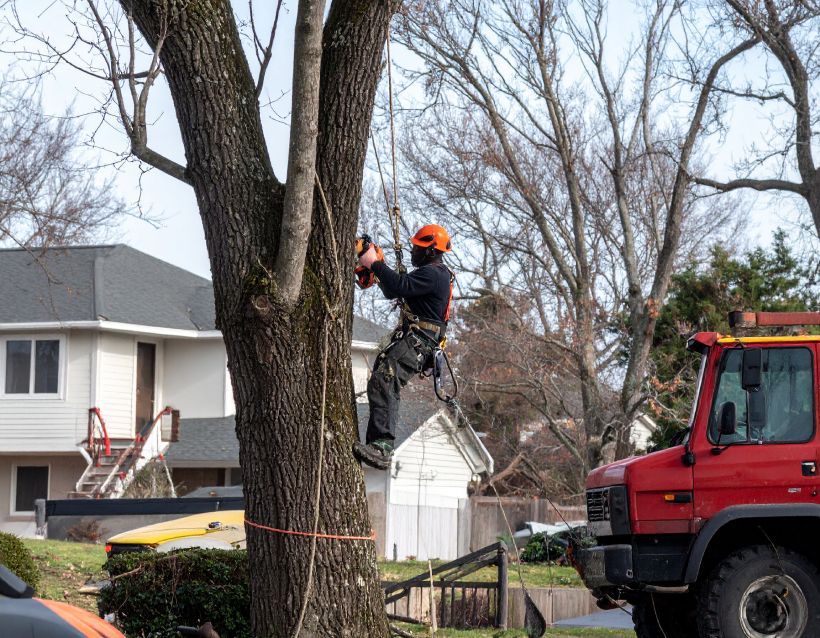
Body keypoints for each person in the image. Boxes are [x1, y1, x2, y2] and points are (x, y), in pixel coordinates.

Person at [353, 224, 454, 469]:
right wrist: (376, 267)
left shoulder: (434, 273)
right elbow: (393, 290)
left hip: (420, 340)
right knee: (382, 379)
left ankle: (382, 446)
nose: (412, 251)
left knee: (385, 380)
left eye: (418, 248)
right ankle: (378, 445)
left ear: (431, 251)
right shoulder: (432, 274)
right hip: (418, 339)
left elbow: (400, 286)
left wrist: (375, 264)